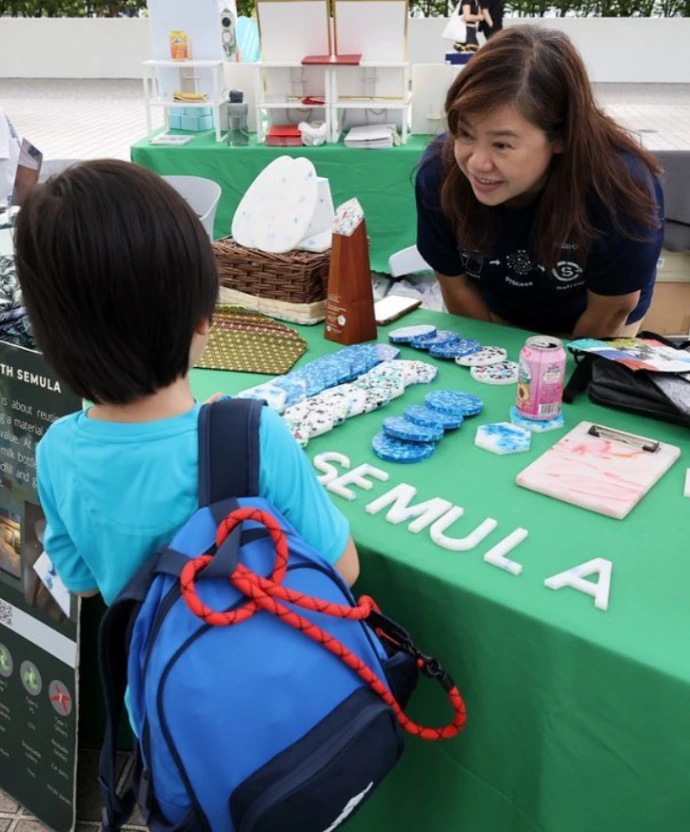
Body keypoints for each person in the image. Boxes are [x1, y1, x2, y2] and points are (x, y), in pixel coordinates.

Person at [13, 160, 359, 606]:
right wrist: (226, 437)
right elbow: (343, 569)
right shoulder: (257, 435)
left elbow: (82, 582)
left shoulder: (57, 450)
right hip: (262, 666)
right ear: (201, 317)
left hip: (151, 673)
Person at [416, 26, 664, 338]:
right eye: (465, 133)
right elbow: (456, 286)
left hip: (594, 318)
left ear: (561, 136)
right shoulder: (440, 174)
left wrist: (556, 373)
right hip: (492, 309)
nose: (477, 163)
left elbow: (611, 309)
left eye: (502, 145)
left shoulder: (620, 187)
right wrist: (493, 355)